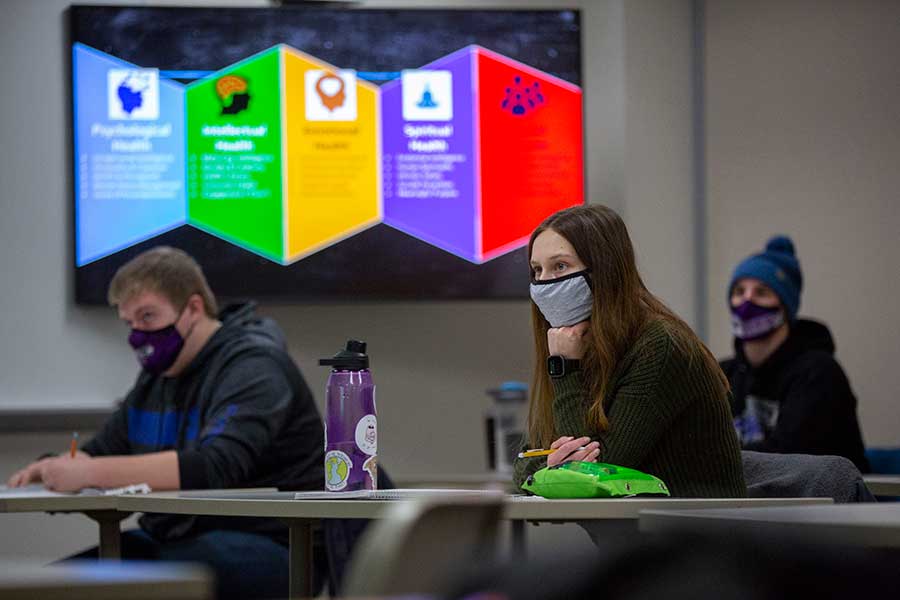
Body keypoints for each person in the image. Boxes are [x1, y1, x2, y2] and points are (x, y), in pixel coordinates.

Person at [6, 246, 325, 599]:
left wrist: (89, 473)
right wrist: (60, 466)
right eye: (130, 323)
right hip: (176, 538)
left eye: (148, 317)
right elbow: (103, 452)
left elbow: (215, 467)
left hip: (270, 545)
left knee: (121, 590)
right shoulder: (156, 378)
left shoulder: (254, 366)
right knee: (39, 592)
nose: (138, 335)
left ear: (193, 308)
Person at [513, 205, 745, 497]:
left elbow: (596, 478)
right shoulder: (576, 344)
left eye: (560, 266)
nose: (545, 282)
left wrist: (564, 367)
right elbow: (524, 464)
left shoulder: (659, 345)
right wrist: (549, 464)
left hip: (696, 534)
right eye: (537, 270)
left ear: (604, 270)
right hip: (639, 534)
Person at [720, 235, 869, 472]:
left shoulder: (819, 373)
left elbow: (789, 456)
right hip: (749, 501)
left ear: (785, 306)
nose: (746, 301)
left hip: (826, 502)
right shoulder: (722, 373)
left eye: (761, 292)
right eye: (739, 291)